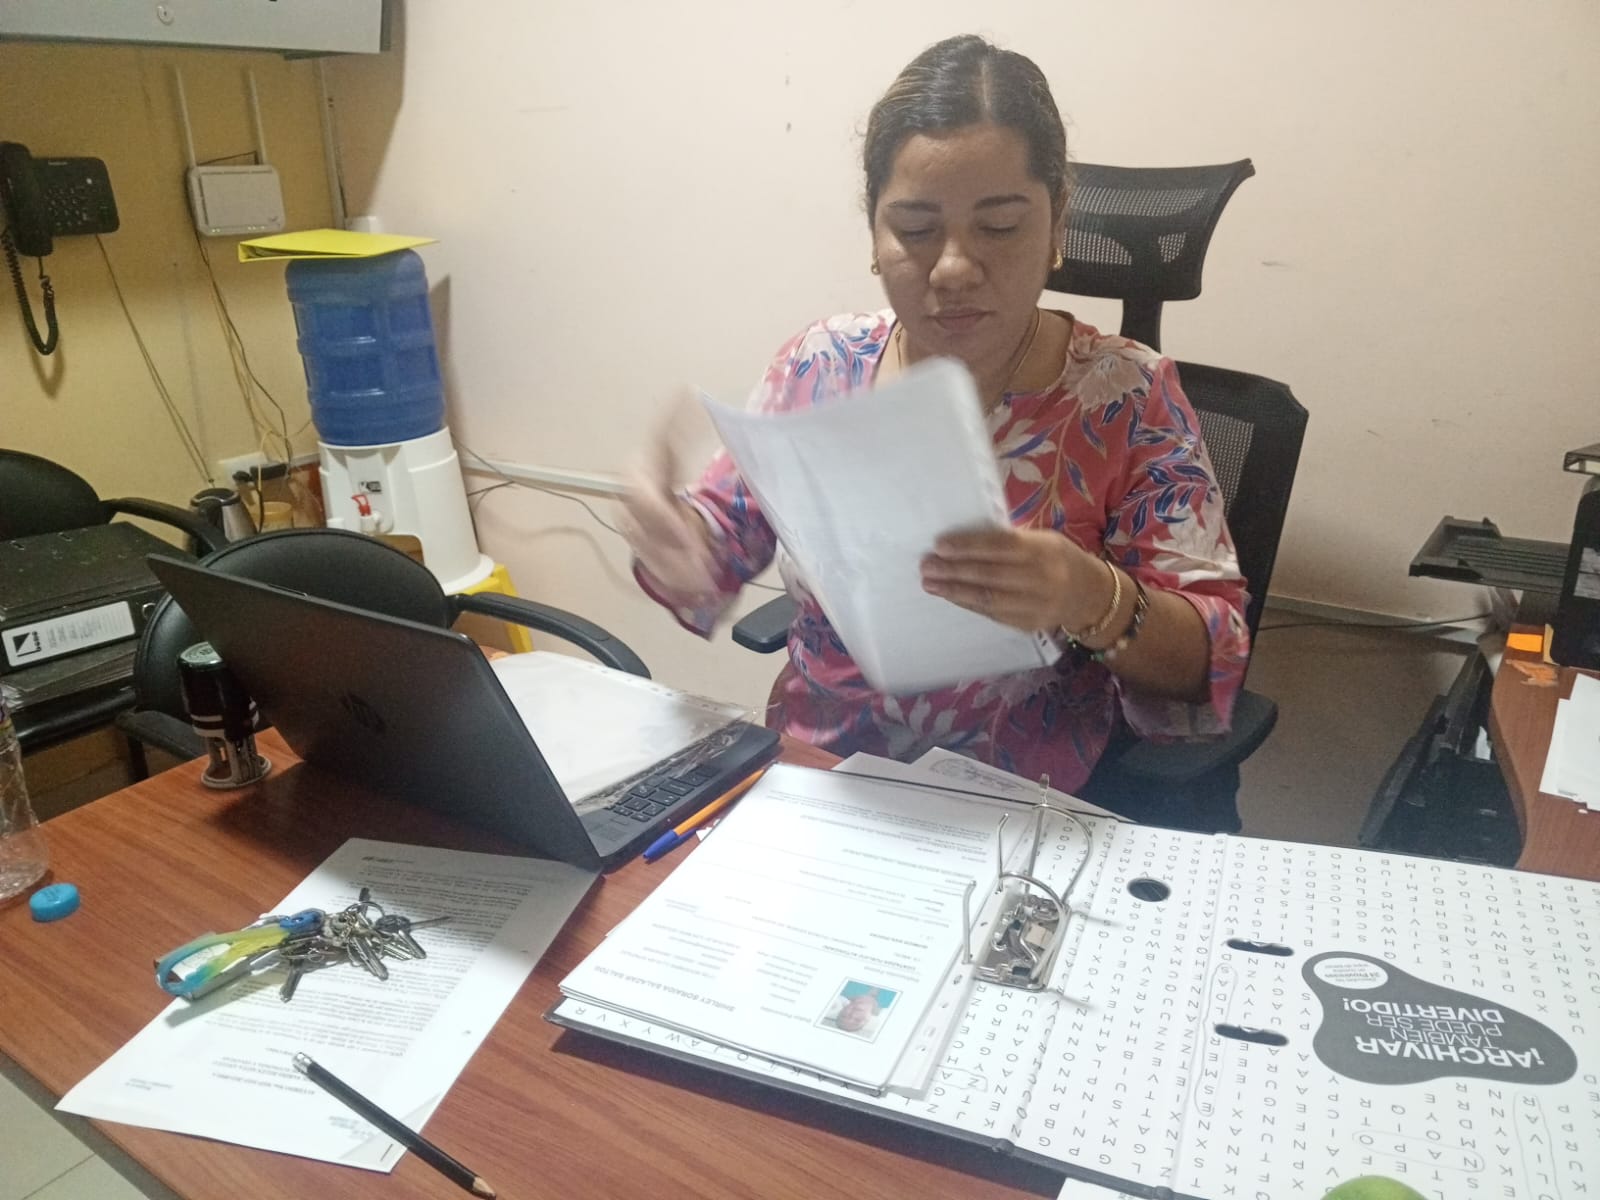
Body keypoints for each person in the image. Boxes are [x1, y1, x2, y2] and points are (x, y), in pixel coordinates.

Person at [623, 35, 1249, 818]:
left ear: (1057, 222)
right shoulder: (821, 367)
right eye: (916, 230)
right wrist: (680, 549)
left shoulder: (1127, 396)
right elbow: (717, 544)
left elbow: (1209, 657)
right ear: (874, 236)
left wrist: (1092, 595)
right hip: (819, 785)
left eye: (1000, 226)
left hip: (1016, 813)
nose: (953, 267)